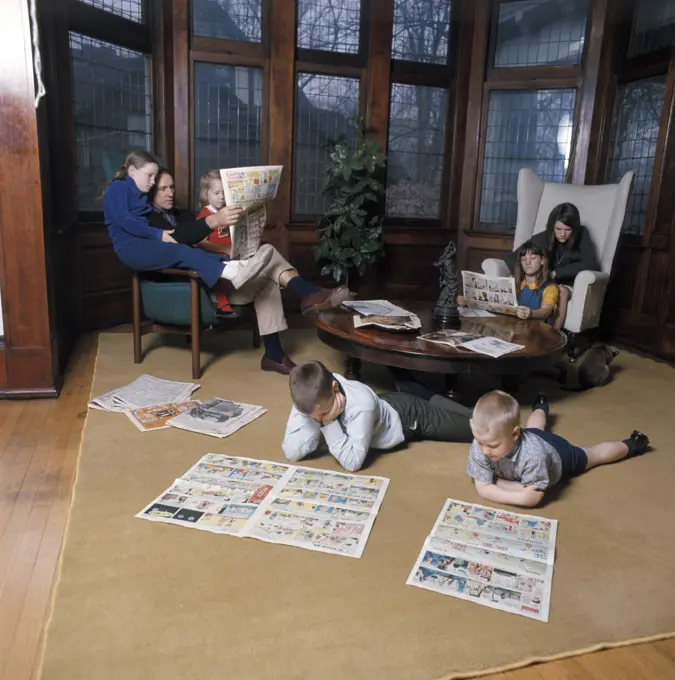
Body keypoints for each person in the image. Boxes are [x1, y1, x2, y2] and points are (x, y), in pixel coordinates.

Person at [148, 167, 354, 374]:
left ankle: (274, 355)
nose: (170, 193)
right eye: (163, 189)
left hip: (231, 274)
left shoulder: (184, 215)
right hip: (208, 285)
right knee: (269, 251)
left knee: (267, 282)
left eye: (172, 187)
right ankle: (309, 293)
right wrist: (227, 250)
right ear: (150, 191)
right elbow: (192, 247)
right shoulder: (151, 221)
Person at [103, 150, 273, 295]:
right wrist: (158, 234)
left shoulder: (139, 195)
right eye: (150, 176)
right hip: (129, 248)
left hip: (143, 244)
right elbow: (126, 221)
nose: (153, 181)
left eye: (155, 177)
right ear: (131, 171)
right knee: (180, 252)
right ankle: (233, 272)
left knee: (185, 250)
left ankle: (236, 266)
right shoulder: (118, 187)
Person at [466, 390, 649, 508]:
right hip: (531, 435)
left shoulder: (534, 456)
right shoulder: (482, 444)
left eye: (492, 446)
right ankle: (541, 405)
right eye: (480, 442)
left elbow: (532, 497)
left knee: (594, 455)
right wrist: (502, 485)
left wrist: (497, 484)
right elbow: (483, 488)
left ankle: (633, 444)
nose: (484, 450)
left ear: (515, 434)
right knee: (536, 429)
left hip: (559, 455)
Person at [282, 361, 474, 472]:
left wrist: (329, 422)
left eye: (323, 413)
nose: (319, 419)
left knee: (474, 427)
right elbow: (291, 452)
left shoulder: (361, 405)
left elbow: (352, 463)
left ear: (334, 388)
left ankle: (419, 391)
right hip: (382, 404)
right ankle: (413, 387)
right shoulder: (307, 397)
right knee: (413, 393)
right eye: (313, 417)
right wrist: (318, 418)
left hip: (409, 416)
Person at [505, 203, 600, 330]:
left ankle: (553, 335)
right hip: (543, 281)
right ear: (552, 227)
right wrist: (533, 275)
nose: (562, 234)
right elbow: (511, 258)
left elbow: (593, 264)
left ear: (575, 229)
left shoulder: (582, 234)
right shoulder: (543, 237)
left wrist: (556, 273)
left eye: (568, 230)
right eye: (558, 229)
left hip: (568, 284)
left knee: (562, 292)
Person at [459, 240, 560, 325]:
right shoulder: (512, 279)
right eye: (524, 259)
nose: (527, 263)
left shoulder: (550, 287)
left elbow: (546, 311)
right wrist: (468, 301)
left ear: (542, 260)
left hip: (534, 329)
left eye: (532, 258)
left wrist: (531, 313)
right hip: (509, 326)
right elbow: (493, 302)